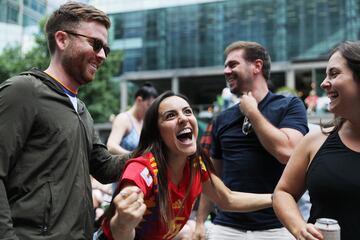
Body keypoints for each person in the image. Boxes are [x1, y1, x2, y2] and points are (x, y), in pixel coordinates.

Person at [0, 2, 132, 239]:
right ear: (62, 39)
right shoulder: (23, 91)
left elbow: (103, 167)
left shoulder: (81, 108)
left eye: (106, 49)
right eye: (96, 44)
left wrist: (155, 148)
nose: (102, 55)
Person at [95, 91, 273, 240]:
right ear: (157, 133)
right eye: (170, 115)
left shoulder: (197, 164)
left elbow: (227, 199)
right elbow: (120, 233)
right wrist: (123, 223)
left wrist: (276, 199)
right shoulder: (142, 169)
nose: (183, 118)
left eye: (188, 111)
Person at [194, 41, 309, 240]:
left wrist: (253, 113)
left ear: (257, 66)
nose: (226, 71)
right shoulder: (221, 119)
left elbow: (287, 153)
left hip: (278, 228)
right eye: (225, 66)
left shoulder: (289, 105)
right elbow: (212, 178)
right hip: (226, 228)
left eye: (232, 64)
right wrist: (200, 222)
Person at [273, 41, 360, 240]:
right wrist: (299, 228)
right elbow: (282, 193)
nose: (323, 83)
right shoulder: (315, 140)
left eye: (334, 74)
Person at [107, 83, 158, 155]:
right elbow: (111, 146)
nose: (150, 111)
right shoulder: (123, 118)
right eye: (148, 105)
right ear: (139, 100)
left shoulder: (144, 122)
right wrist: (135, 157)